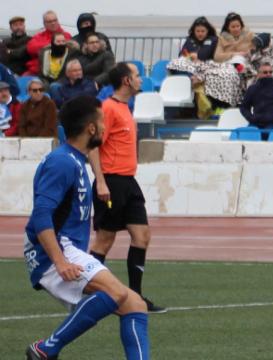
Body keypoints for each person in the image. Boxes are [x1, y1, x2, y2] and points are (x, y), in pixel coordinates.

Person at [23, 95, 150, 360]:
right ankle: (46, 349)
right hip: (55, 250)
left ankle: (46, 349)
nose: (105, 128)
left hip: (66, 248)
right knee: (115, 292)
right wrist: (59, 261)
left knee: (135, 304)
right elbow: (41, 215)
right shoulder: (62, 162)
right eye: (102, 121)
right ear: (91, 128)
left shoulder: (75, 160)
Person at [88, 63, 165, 313]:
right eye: (136, 76)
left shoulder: (124, 107)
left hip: (128, 182)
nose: (141, 79)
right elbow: (94, 146)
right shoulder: (108, 108)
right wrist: (100, 181)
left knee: (142, 236)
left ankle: (136, 297)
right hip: (110, 181)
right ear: (126, 81)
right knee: (104, 240)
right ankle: (85, 291)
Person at [240, 62, 273, 140]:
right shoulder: (252, 88)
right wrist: (251, 118)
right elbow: (244, 107)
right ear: (258, 74)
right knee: (246, 135)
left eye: (270, 72)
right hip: (256, 123)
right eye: (265, 72)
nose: (268, 74)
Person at [25, 11, 72, 76]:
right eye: (49, 21)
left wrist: (48, 45)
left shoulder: (67, 35)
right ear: (44, 24)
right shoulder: (39, 36)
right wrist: (53, 44)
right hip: (37, 71)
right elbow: (31, 48)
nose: (53, 23)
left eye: (55, 20)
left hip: (61, 71)